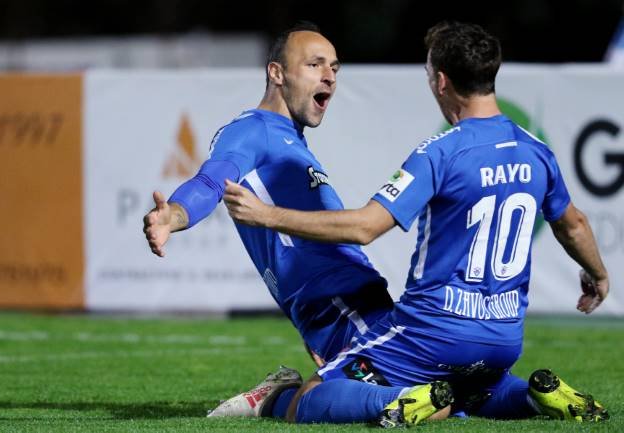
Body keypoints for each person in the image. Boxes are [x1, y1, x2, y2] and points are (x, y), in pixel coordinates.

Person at [223, 21, 610, 425]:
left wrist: (266, 215)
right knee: (476, 390)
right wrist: (598, 276)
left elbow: (365, 227)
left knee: (309, 399)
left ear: (441, 82)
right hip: (504, 339)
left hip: (432, 335)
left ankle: (390, 398)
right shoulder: (536, 150)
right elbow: (574, 225)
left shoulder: (440, 152)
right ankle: (532, 397)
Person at [142, 22, 394, 417]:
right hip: (340, 304)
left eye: (334, 68)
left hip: (355, 300)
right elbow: (210, 181)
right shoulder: (253, 130)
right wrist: (174, 214)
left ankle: (295, 392)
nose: (329, 76)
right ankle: (276, 401)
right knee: (419, 398)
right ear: (276, 73)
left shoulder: (291, 138)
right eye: (315, 64)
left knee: (443, 393)